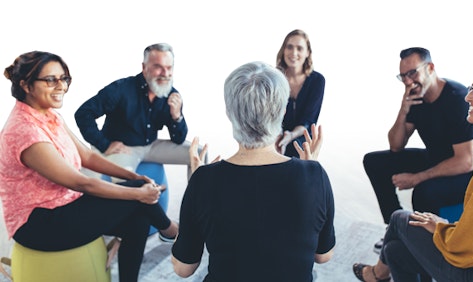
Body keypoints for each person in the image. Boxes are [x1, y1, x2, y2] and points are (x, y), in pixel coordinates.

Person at [0, 51, 178, 282]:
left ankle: (164, 236)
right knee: (137, 201)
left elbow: (86, 156)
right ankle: (172, 231)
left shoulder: (48, 116)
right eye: (51, 80)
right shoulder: (25, 130)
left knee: (139, 214)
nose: (61, 86)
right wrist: (137, 192)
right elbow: (81, 181)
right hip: (39, 224)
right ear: (26, 85)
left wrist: (132, 176)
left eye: (64, 78)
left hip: (63, 206)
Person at [170, 61, 335, 282]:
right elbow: (322, 256)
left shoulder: (203, 180)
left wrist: (195, 191)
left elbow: (183, 268)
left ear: (229, 113)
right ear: (283, 111)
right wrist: (310, 173)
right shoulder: (315, 176)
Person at [352, 54, 473, 282]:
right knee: (395, 252)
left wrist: (443, 229)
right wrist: (403, 109)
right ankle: (398, 243)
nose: (470, 96)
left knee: (401, 218)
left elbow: (470, 249)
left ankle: (379, 271)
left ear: (430, 68)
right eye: (403, 76)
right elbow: (395, 145)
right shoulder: (415, 98)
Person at [74, 42, 202, 182]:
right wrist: (104, 144)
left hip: (151, 146)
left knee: (198, 154)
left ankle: (197, 201)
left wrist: (176, 116)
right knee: (127, 186)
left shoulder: (171, 94)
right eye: (158, 67)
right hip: (124, 148)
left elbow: (178, 139)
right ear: (144, 68)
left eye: (169, 68)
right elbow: (83, 113)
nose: (165, 74)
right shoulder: (121, 89)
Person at [275, 29, 326, 158]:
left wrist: (290, 136)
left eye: (299, 48)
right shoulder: (274, 77)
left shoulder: (317, 80)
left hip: (302, 137)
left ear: (308, 52)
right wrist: (280, 136)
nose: (294, 53)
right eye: (289, 47)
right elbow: (270, 114)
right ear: (283, 50)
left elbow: (308, 120)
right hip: (276, 133)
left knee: (298, 149)